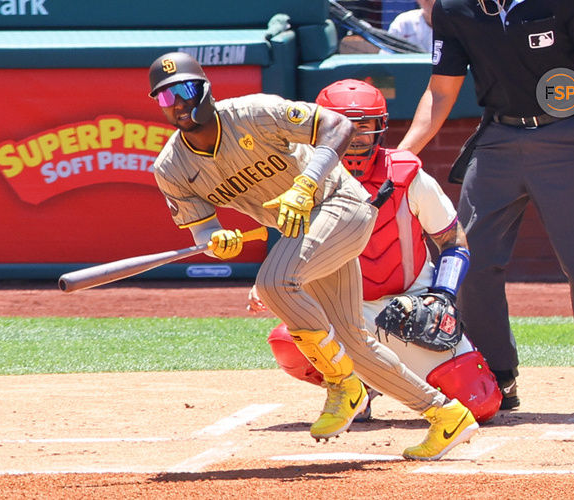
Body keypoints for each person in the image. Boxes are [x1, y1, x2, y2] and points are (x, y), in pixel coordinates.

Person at [149, 51, 478, 460]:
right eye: (165, 98)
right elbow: (205, 230)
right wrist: (218, 240)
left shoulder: (254, 112)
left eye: (184, 90)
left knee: (274, 283)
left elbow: (337, 125)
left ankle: (343, 383)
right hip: (304, 233)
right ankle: (445, 415)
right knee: (356, 342)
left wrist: (306, 184)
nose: (177, 103)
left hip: (341, 204)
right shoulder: (171, 167)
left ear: (206, 88)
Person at [396, 0, 574, 414]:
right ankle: (496, 376)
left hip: (565, 136)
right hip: (497, 137)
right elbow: (440, 91)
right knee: (469, 259)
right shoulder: (454, 10)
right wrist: (401, 156)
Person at [249, 79, 502, 424]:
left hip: (411, 308)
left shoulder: (406, 174)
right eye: (340, 122)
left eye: (363, 125)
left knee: (481, 403)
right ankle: (353, 386)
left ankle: (388, 375)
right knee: (288, 339)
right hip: (344, 307)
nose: (353, 135)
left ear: (380, 127)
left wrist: (442, 295)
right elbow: (295, 240)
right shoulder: (303, 179)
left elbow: (453, 240)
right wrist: (265, 283)